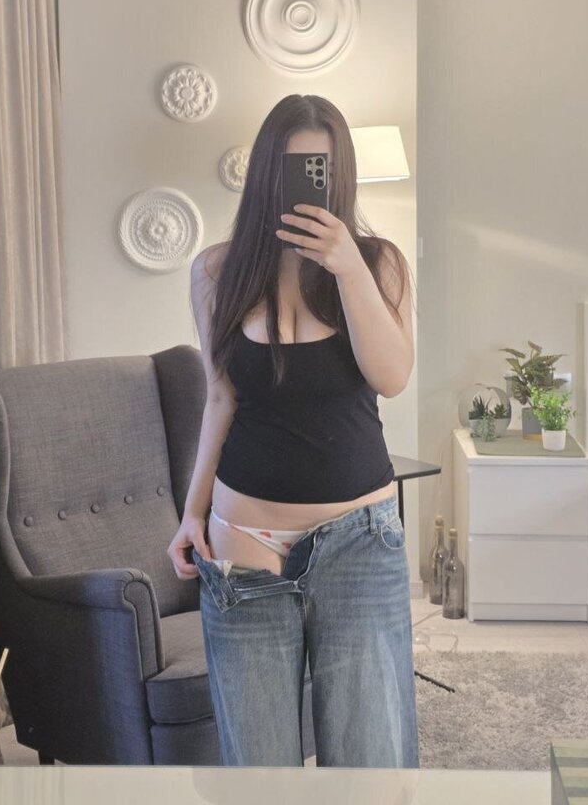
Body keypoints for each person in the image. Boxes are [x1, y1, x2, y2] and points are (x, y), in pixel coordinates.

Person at [167, 94, 420, 768]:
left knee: (370, 768)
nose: (307, 186)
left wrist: (347, 267)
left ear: (342, 177)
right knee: (259, 774)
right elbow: (219, 397)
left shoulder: (378, 264)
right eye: (292, 169)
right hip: (243, 546)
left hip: (359, 543)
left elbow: (392, 376)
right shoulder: (216, 272)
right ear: (264, 175)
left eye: (321, 170)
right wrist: (191, 513)